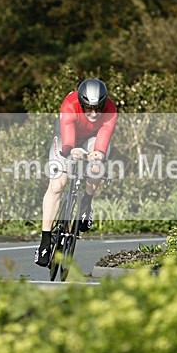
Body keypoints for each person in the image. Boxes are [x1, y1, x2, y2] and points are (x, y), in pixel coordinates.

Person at [34, 78, 118, 267]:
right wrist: (70, 150)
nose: (94, 113)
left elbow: (104, 136)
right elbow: (67, 137)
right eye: (88, 108)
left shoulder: (111, 110)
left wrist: (99, 154)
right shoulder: (70, 104)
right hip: (66, 137)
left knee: (96, 165)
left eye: (98, 108)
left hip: (92, 139)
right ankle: (45, 241)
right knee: (57, 185)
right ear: (81, 103)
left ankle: (86, 203)